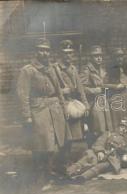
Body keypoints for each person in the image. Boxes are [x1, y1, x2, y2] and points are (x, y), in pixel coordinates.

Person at [17, 38, 68, 180]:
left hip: (54, 106)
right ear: (36, 51)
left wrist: (64, 108)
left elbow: (58, 90)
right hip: (38, 109)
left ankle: (52, 169)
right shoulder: (28, 70)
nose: (44, 53)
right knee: (41, 140)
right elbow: (23, 94)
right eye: (41, 49)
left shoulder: (52, 68)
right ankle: (41, 172)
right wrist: (26, 115)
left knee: (56, 140)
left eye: (47, 50)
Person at [54, 40, 89, 168]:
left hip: (73, 105)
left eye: (70, 53)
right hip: (61, 105)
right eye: (65, 53)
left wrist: (85, 105)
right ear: (60, 54)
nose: (68, 56)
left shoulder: (73, 69)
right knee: (63, 136)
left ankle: (67, 161)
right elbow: (53, 90)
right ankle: (60, 162)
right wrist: (63, 91)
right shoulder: (55, 69)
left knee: (73, 135)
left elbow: (80, 88)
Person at [66, 118, 127, 182]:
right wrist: (100, 151)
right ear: (118, 126)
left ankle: (83, 177)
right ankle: (68, 172)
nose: (124, 129)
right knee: (87, 158)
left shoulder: (126, 141)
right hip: (101, 153)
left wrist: (125, 147)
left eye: (126, 128)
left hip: (111, 159)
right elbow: (99, 143)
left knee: (100, 166)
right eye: (122, 127)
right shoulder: (108, 134)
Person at [80, 45, 114, 146]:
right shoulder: (86, 70)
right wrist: (96, 90)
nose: (99, 58)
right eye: (96, 56)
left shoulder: (102, 70)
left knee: (107, 127)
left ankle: (104, 148)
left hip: (104, 101)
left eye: (100, 56)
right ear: (91, 57)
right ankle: (94, 150)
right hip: (92, 103)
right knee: (97, 129)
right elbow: (81, 89)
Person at [106, 48, 127, 136]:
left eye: (121, 56)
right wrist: (115, 86)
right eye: (117, 57)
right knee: (116, 108)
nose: (119, 59)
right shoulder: (109, 70)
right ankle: (119, 136)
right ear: (114, 58)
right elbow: (103, 85)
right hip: (116, 97)